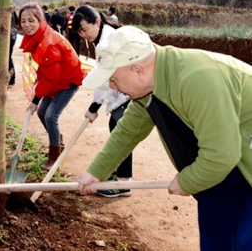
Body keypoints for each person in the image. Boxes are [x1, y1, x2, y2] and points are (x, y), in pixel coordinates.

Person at [77, 25, 252, 250]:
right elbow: (129, 131)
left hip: (237, 160)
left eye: (114, 79)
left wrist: (188, 181)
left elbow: (221, 155)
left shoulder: (197, 79)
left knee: (243, 241)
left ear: (138, 70)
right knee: (217, 238)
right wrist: (97, 171)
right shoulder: (150, 87)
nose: (113, 87)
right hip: (223, 172)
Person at [72, 4, 132, 197]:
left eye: (85, 29)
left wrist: (94, 107)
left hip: (130, 92)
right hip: (122, 92)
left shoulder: (107, 43)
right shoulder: (104, 38)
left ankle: (123, 183)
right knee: (117, 129)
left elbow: (104, 81)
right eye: (80, 32)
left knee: (120, 132)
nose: (83, 35)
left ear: (96, 22)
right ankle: (119, 175)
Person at [19, 2, 84, 170]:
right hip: (55, 79)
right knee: (42, 112)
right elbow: (46, 71)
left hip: (67, 81)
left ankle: (54, 156)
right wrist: (37, 101)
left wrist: (35, 100)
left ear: (40, 20)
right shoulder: (37, 36)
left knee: (50, 116)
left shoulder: (49, 43)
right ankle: (57, 142)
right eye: (23, 21)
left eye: (31, 20)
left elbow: (51, 78)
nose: (27, 25)